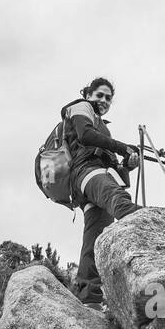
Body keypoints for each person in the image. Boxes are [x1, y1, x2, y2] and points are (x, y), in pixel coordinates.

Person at [60, 77, 142, 306]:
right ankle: (146, 223)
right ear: (88, 94)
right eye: (100, 95)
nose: (104, 100)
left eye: (108, 98)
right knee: (118, 199)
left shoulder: (101, 124)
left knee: (95, 238)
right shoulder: (80, 107)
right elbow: (85, 136)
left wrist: (127, 165)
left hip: (88, 179)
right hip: (85, 172)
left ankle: (90, 299)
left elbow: (109, 161)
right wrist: (123, 147)